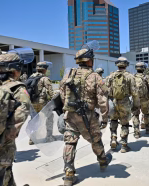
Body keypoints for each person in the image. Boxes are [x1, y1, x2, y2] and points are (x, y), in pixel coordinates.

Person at [60, 47, 110, 186]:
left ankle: (68, 174)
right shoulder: (95, 76)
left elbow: (62, 93)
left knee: (70, 141)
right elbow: (102, 100)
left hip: (70, 114)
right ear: (89, 60)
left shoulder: (69, 73)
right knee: (96, 139)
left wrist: (67, 108)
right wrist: (104, 118)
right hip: (87, 116)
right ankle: (103, 162)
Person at [0, 53, 30, 185]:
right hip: (0, 143)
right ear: (15, 69)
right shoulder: (17, 88)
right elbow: (20, 117)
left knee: (4, 170)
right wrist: (2, 141)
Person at [106, 57, 139, 152]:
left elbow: (105, 90)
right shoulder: (130, 77)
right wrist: (136, 105)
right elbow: (135, 93)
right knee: (124, 123)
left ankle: (113, 138)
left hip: (113, 101)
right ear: (126, 65)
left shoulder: (110, 76)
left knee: (113, 120)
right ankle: (124, 145)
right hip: (124, 102)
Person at [28, 61, 54, 145]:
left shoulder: (31, 77)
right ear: (45, 69)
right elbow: (51, 92)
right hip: (42, 102)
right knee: (50, 117)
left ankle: (32, 139)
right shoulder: (45, 79)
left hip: (32, 102)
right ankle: (49, 137)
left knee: (34, 120)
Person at [132, 62, 149, 139]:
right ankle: (148, 128)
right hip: (145, 99)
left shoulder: (132, 77)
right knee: (146, 114)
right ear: (143, 68)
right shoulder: (146, 78)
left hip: (135, 99)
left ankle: (136, 132)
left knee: (135, 115)